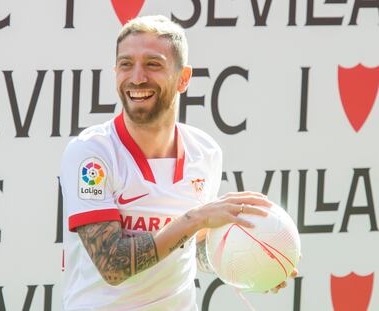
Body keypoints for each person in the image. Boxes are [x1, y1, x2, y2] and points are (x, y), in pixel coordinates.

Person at [60, 15, 296, 311]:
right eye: (125, 64)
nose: (136, 77)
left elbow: (188, 249)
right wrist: (195, 219)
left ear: (184, 78)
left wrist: (257, 261)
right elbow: (113, 264)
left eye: (153, 64)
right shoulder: (91, 153)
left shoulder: (205, 151)